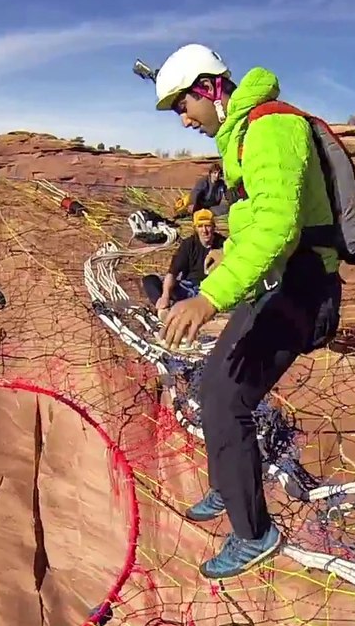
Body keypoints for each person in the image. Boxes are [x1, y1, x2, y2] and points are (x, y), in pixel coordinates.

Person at [149, 44, 344, 579]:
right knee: (213, 381)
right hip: (274, 284)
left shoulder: (271, 129)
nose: (182, 119)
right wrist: (220, 269)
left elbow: (278, 228)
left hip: (301, 290)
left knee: (226, 397)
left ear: (209, 88)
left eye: (181, 105)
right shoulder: (241, 139)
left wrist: (210, 297)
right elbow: (254, 228)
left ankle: (254, 533)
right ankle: (228, 484)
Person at [141, 209, 226, 313]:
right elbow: (173, 272)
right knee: (150, 280)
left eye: (207, 225)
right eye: (200, 226)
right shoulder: (188, 244)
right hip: (188, 288)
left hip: (210, 291)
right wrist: (165, 296)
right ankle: (163, 308)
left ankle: (184, 308)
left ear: (213, 226)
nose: (204, 230)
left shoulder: (224, 244)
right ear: (195, 228)